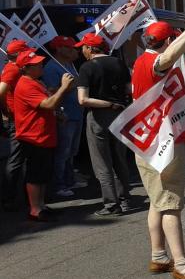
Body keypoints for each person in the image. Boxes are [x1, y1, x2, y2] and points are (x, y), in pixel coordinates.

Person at [131, 8, 185, 279]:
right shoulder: (155, 62)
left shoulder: (139, 61)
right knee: (171, 204)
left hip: (147, 140)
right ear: (166, 41)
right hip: (164, 141)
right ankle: (181, 264)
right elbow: (167, 57)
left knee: (157, 201)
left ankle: (159, 255)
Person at [13, 49, 74, 221]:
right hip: (33, 137)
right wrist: (63, 87)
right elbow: (47, 104)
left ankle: (40, 205)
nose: (41, 66)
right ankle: (35, 209)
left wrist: (58, 115)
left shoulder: (36, 82)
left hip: (44, 135)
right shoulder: (26, 84)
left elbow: (48, 105)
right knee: (35, 174)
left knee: (43, 173)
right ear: (26, 68)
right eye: (36, 65)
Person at [76, 33, 132, 216]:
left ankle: (111, 203)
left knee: (102, 162)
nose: (82, 50)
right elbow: (129, 90)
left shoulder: (87, 67)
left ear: (91, 49)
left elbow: (82, 100)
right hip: (121, 115)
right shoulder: (119, 63)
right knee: (120, 158)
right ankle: (125, 199)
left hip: (99, 116)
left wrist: (108, 104)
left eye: (83, 47)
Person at [42, 36, 84, 197]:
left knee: (72, 150)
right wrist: (70, 86)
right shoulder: (51, 68)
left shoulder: (70, 64)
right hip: (65, 115)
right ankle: (59, 184)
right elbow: (51, 92)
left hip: (76, 113)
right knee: (63, 151)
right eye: (70, 47)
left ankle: (69, 179)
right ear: (59, 49)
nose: (74, 50)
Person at [0, 40, 33, 210]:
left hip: (21, 119)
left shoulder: (14, 68)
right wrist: (5, 111)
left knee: (22, 158)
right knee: (16, 159)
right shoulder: (13, 69)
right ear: (18, 55)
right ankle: (8, 198)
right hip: (17, 120)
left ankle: (21, 196)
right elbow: (1, 91)